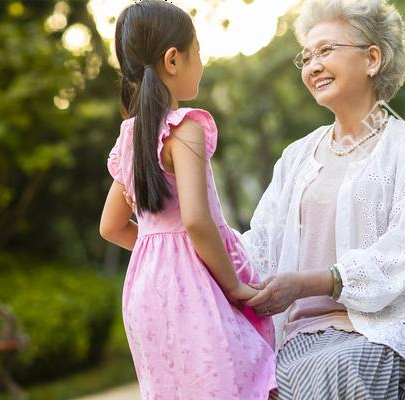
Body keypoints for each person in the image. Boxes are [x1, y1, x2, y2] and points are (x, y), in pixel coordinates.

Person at [240, 0, 405, 398]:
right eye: (306, 57)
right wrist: (185, 233)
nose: (312, 66)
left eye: (325, 51)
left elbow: (404, 256)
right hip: (303, 335)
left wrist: (311, 282)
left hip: (390, 329)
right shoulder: (296, 157)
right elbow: (259, 244)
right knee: (251, 369)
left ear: (372, 58)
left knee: (335, 370)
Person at [98, 1, 277, 399]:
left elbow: (110, 226)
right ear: (173, 60)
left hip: (145, 291)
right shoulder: (185, 129)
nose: (203, 62)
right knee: (234, 380)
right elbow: (196, 221)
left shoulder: (130, 137)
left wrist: (159, 252)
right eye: (200, 52)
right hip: (193, 289)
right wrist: (233, 286)